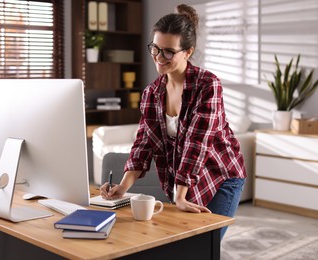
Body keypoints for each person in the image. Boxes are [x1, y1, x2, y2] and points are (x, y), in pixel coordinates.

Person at [100, 4, 246, 239]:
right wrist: (122, 188)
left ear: (188, 52)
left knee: (206, 244)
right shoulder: (151, 93)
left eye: (168, 51)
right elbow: (143, 144)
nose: (159, 57)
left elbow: (197, 144)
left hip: (220, 176)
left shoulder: (208, 85)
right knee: (183, 244)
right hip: (182, 182)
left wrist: (180, 195)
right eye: (155, 49)